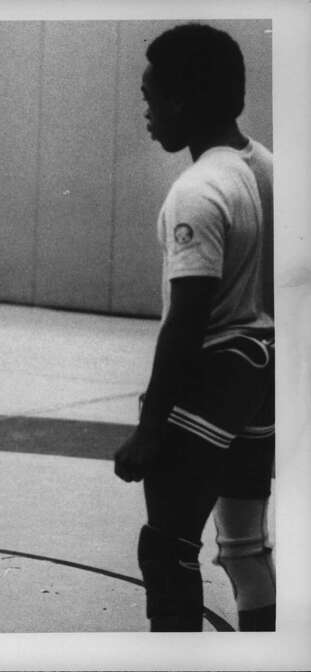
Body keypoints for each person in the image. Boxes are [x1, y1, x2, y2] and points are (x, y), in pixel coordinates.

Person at [114, 23, 275, 632]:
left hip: (212, 376)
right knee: (244, 550)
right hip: (264, 379)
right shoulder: (271, 168)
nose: (148, 112)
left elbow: (187, 321)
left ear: (183, 99)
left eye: (151, 97)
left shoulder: (198, 190)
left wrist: (150, 429)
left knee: (167, 548)